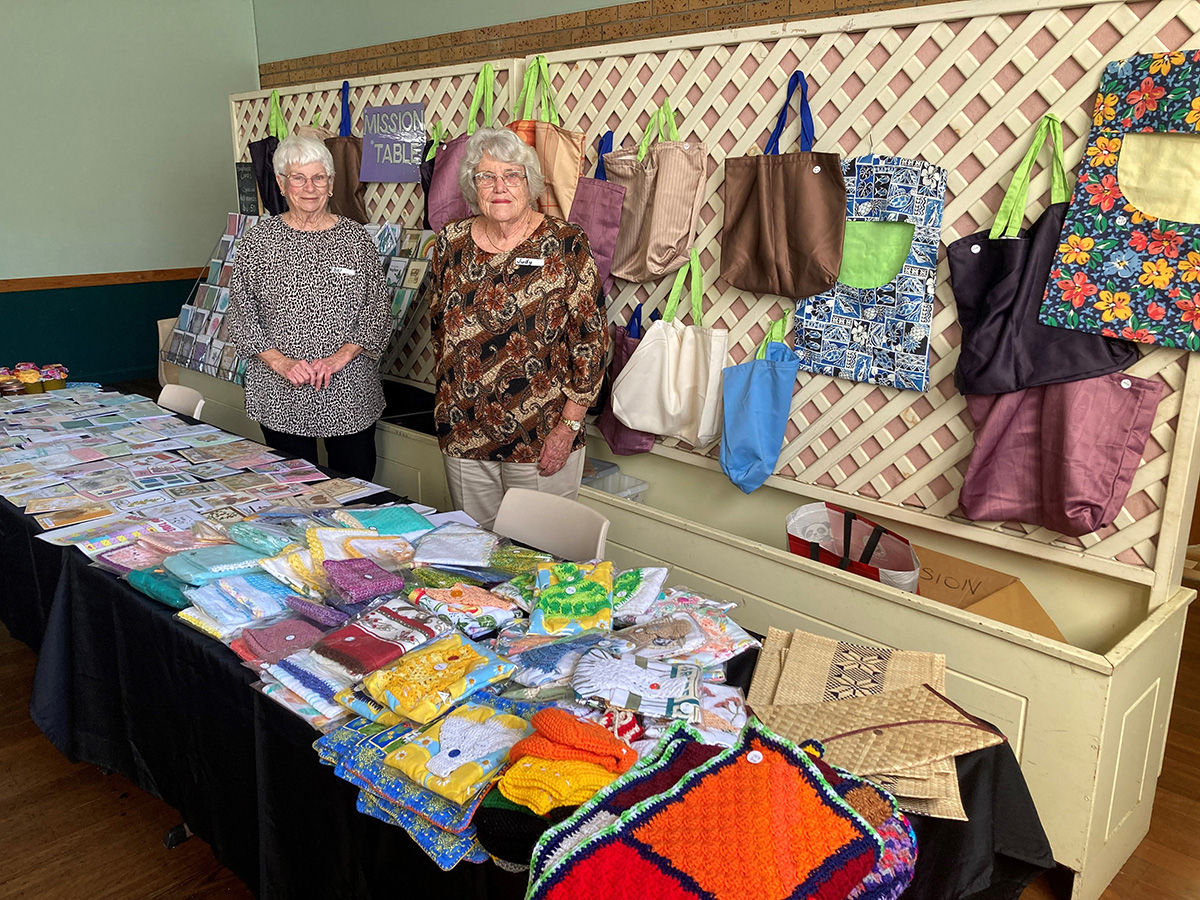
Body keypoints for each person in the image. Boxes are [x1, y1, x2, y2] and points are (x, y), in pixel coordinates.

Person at [428, 127, 608, 528]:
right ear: (472, 186)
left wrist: (569, 426)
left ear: (530, 183)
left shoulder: (565, 243)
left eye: (511, 175)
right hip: (465, 431)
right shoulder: (451, 242)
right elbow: (439, 326)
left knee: (540, 552)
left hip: (542, 432)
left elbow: (592, 342)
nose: (499, 186)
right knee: (475, 551)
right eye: (486, 176)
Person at [227, 135, 392, 481]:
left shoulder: (356, 239)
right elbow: (242, 314)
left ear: (331, 185)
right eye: (298, 178)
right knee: (293, 489)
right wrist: (281, 362)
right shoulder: (258, 241)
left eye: (319, 178)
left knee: (355, 486)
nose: (309, 188)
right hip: (280, 389)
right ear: (281, 184)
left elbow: (377, 309)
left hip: (349, 389)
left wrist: (340, 357)